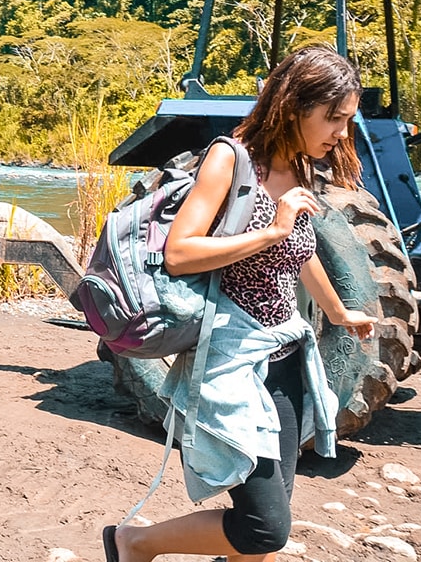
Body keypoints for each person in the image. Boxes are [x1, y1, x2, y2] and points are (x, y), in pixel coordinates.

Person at [104, 44, 378, 562]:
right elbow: (182, 253)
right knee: (263, 530)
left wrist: (339, 313)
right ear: (296, 106)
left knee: (266, 520)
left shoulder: (299, 164)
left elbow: (298, 251)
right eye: (334, 118)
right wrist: (273, 229)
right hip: (234, 362)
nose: (342, 132)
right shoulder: (229, 159)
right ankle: (133, 542)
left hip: (288, 360)